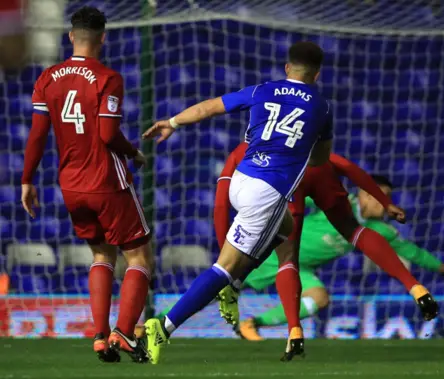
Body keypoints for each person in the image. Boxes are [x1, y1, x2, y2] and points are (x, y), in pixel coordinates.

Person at [142, 41, 382, 363]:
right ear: (318, 74)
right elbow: (319, 160)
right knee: (224, 267)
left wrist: (171, 123)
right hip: (266, 193)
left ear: (287, 67)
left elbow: (208, 107)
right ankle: (164, 326)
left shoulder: (262, 90)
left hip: (241, 181)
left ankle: (233, 285)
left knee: (285, 225)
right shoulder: (322, 107)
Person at [21, 6, 152, 363]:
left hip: (71, 185)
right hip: (106, 181)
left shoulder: (48, 77)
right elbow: (108, 133)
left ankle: (98, 335)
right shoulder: (107, 77)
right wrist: (134, 153)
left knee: (100, 254)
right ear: (103, 37)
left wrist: (27, 180)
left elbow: (36, 134)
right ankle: (124, 334)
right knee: (140, 256)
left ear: (71, 36)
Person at [209, 142, 441, 332]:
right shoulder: (336, 200)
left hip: (300, 267)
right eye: (381, 196)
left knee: (319, 298)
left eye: (387, 197)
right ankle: (173, 318)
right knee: (217, 288)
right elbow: (297, 197)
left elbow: (413, 252)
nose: (384, 203)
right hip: (271, 254)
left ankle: (252, 324)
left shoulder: (379, 230)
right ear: (365, 195)